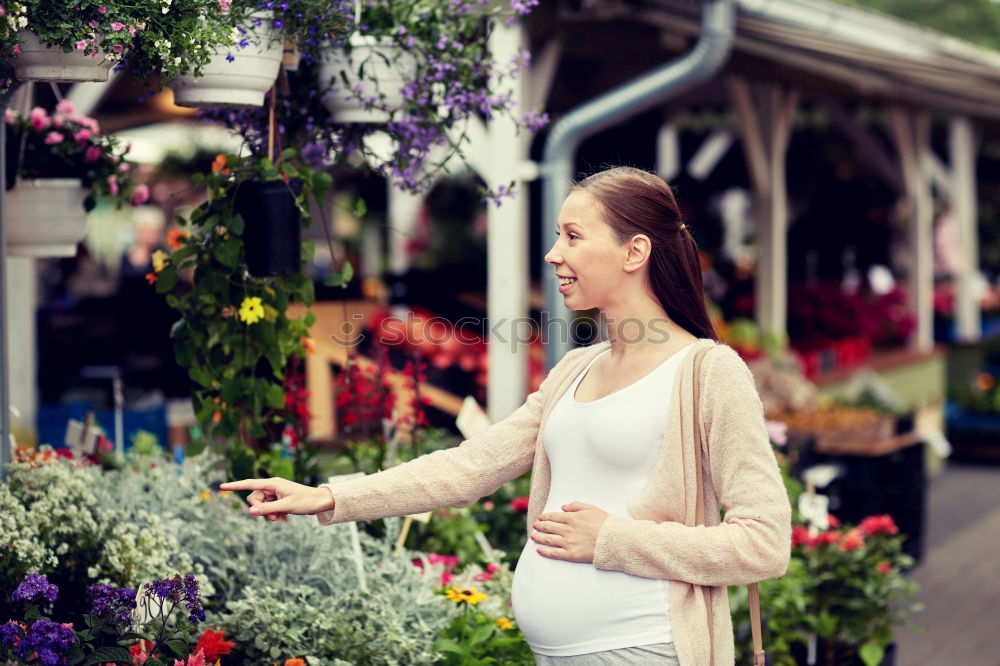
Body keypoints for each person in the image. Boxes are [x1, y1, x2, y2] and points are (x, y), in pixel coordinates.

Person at [222, 166, 791, 666]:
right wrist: (331, 496)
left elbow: (764, 542)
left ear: (634, 252)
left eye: (572, 236)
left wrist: (614, 539)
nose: (553, 255)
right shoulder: (575, 368)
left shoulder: (707, 373)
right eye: (556, 236)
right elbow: (469, 467)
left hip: (643, 646)